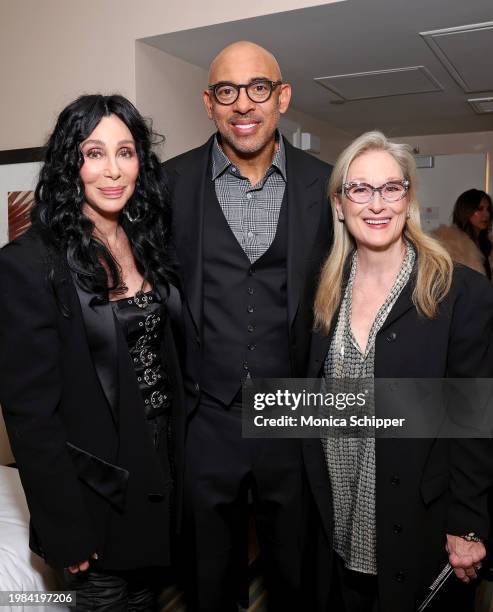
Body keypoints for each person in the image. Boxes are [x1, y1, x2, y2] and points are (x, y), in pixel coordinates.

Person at [163, 41, 332, 611]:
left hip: (296, 412)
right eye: (227, 92)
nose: (244, 104)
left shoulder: (327, 186)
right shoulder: (168, 185)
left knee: (297, 569)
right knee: (207, 577)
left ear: (281, 97)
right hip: (205, 413)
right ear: (208, 104)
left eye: (258, 87)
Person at [0, 94, 185, 611]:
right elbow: (30, 415)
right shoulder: (30, 262)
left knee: (146, 597)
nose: (113, 170)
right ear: (69, 164)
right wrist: (63, 525)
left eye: (125, 152)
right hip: (95, 486)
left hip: (158, 463)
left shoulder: (148, 241)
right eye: (94, 152)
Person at [302, 131, 493, 611]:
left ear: (408, 199)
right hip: (337, 519)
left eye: (391, 188)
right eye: (360, 189)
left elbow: (473, 420)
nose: (376, 203)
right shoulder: (325, 288)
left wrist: (468, 525)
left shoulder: (458, 291)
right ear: (340, 204)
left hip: (421, 523)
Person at [433, 188, 493, 279]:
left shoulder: (487, 243)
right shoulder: (450, 244)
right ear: (466, 211)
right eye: (480, 209)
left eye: (488, 209)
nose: (486, 214)